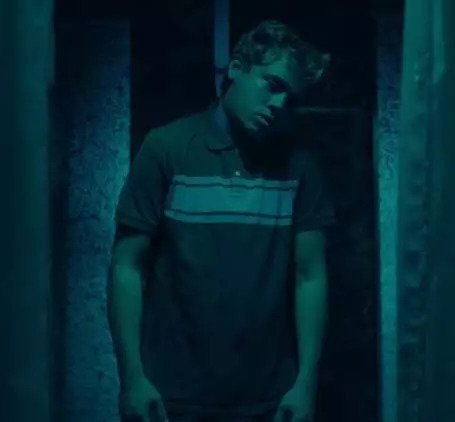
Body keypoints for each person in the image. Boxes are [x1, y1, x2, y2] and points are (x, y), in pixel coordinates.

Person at [109, 20, 334, 422]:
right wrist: (132, 377)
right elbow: (127, 266)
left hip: (268, 400)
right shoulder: (167, 148)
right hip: (171, 398)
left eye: (291, 99)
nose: (278, 104)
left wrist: (306, 383)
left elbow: (310, 276)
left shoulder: (300, 166)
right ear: (236, 68)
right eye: (272, 84)